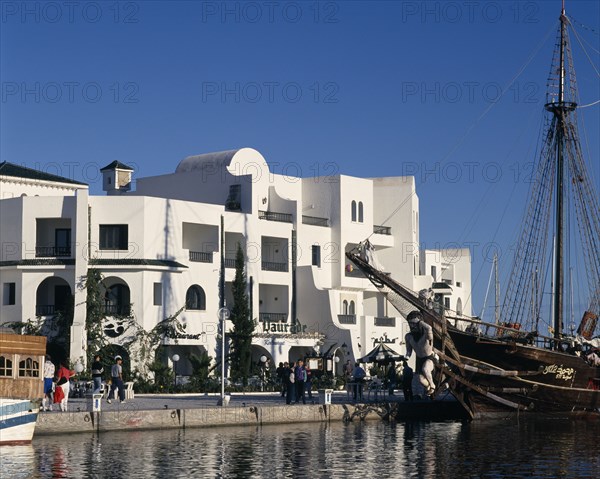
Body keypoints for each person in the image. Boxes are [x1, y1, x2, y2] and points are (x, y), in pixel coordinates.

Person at [405, 310, 436, 397]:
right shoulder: (408, 337)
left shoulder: (426, 334)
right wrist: (406, 356)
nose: (412, 326)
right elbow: (408, 350)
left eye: (414, 323)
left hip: (429, 358)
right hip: (419, 359)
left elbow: (429, 328)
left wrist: (420, 322)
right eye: (410, 323)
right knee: (420, 379)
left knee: (426, 369)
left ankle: (432, 385)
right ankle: (428, 388)